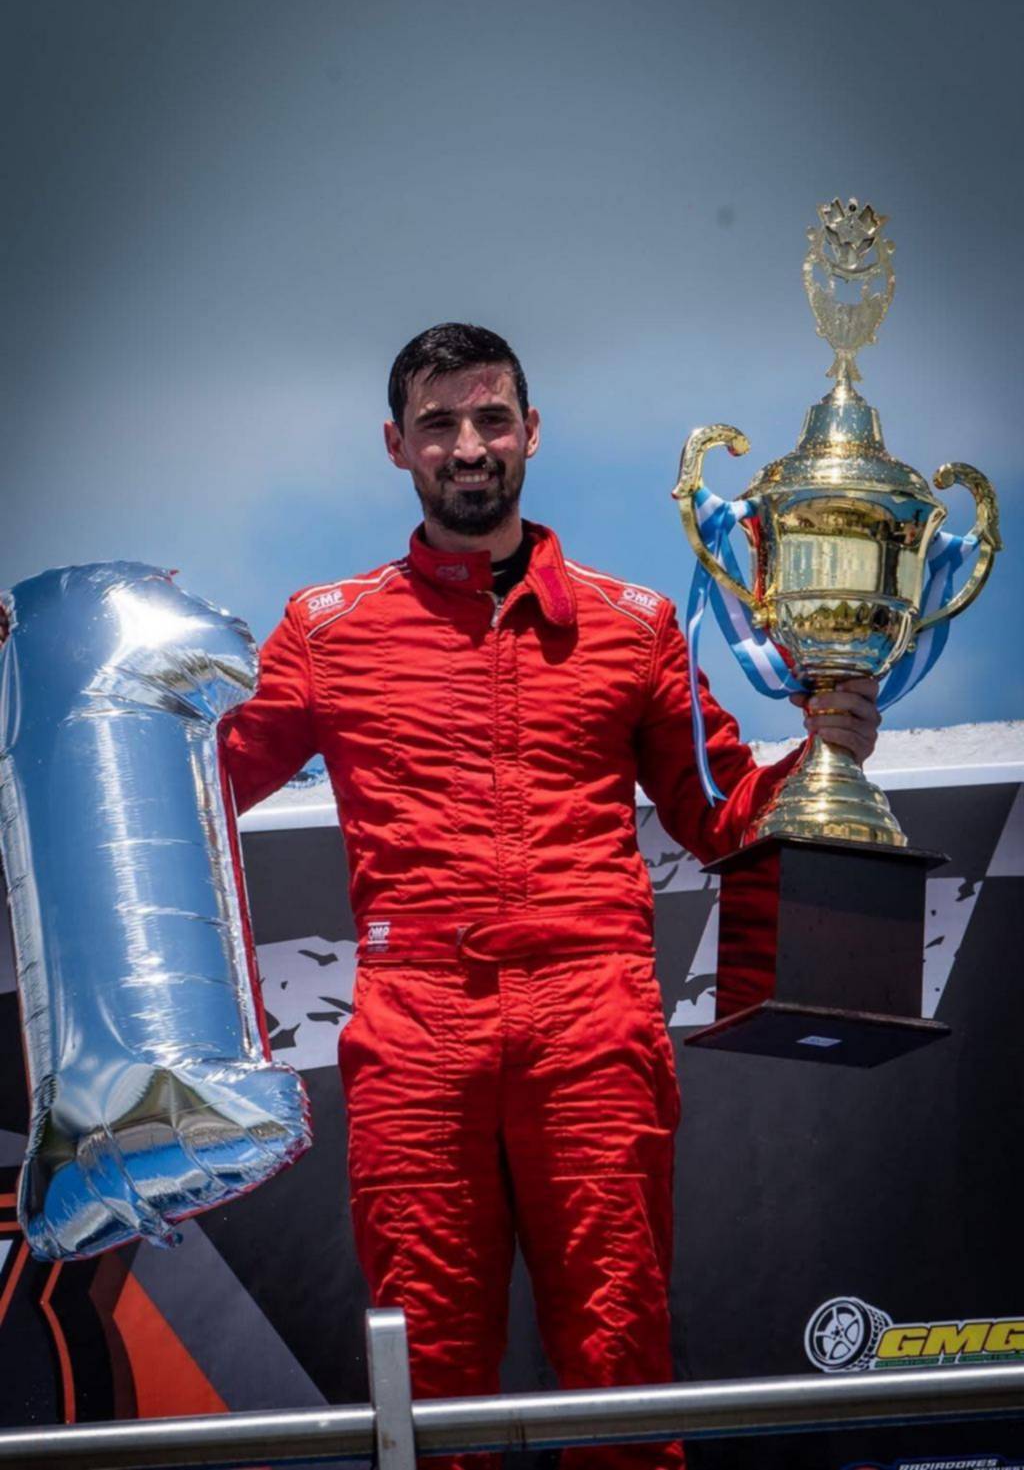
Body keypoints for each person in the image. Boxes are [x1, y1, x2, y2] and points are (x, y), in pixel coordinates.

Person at [220, 323, 880, 1469]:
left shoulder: (635, 626)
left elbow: (716, 811)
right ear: (396, 446)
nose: (466, 446)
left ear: (531, 433)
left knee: (619, 1361)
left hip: (592, 1020)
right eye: (439, 424)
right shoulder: (326, 631)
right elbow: (201, 778)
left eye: (489, 419)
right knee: (425, 1384)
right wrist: (47, 684)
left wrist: (825, 755)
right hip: (416, 1028)